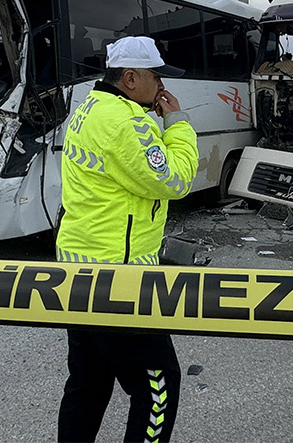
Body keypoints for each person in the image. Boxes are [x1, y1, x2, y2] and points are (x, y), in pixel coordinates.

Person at [55, 36, 198, 443]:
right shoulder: (126, 123)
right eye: (158, 77)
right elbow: (175, 179)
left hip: (79, 270)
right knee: (159, 386)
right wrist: (178, 123)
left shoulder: (91, 108)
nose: (163, 88)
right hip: (119, 278)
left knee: (88, 383)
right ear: (131, 77)